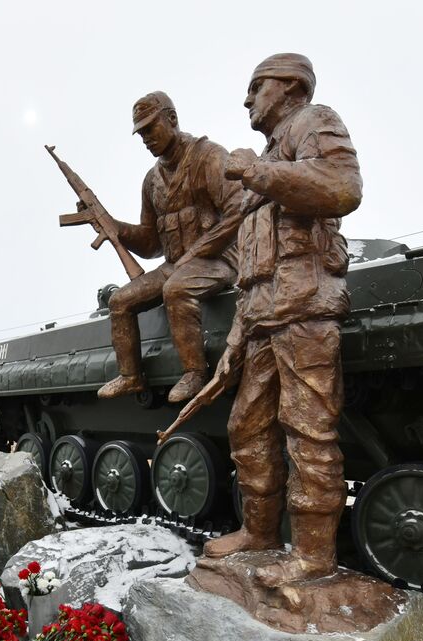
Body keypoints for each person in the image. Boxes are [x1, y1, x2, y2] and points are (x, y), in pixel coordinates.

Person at [198, 53, 363, 585]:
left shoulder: (312, 122)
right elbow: (252, 267)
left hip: (306, 310)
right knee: (246, 427)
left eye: (256, 87)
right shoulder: (269, 155)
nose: (247, 100)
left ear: (289, 86)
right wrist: (234, 340)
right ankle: (260, 534)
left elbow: (343, 185)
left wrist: (258, 171)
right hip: (264, 318)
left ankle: (314, 558)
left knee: (308, 434)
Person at [97, 91, 245, 404]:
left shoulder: (209, 156)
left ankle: (195, 373)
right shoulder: (151, 181)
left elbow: (238, 211)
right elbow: (152, 243)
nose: (146, 139)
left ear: (172, 119)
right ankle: (130, 376)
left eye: (150, 128)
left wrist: (198, 251)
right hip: (176, 264)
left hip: (220, 260)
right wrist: (115, 227)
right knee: (120, 301)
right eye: (141, 134)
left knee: (176, 289)